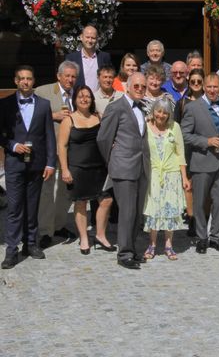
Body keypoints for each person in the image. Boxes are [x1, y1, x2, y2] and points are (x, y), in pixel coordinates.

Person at [0, 65, 55, 269]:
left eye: (29, 79)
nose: (25, 82)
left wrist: (51, 163)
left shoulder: (43, 105)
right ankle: (11, 250)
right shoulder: (5, 104)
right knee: (15, 209)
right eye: (21, 79)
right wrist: (12, 144)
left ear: (34, 81)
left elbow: (50, 135)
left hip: (37, 164)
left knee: (32, 207)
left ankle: (31, 244)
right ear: (15, 81)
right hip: (14, 164)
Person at [96, 72, 151, 270]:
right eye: (136, 86)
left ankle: (132, 248)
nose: (140, 89)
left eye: (143, 87)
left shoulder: (143, 107)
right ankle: (124, 253)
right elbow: (103, 139)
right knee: (127, 212)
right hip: (123, 167)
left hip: (141, 167)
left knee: (136, 213)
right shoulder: (116, 107)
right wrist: (112, 160)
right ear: (127, 86)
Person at [58, 85, 112, 255]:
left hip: (99, 168)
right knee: (81, 203)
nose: (84, 99)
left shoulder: (99, 117)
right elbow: (62, 146)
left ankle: (101, 235)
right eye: (80, 96)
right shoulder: (69, 120)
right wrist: (65, 170)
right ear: (75, 100)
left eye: (87, 96)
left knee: (106, 200)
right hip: (78, 169)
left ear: (92, 99)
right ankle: (84, 238)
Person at [181, 73, 219, 254]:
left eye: (215, 87)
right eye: (209, 87)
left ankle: (216, 237)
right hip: (201, 161)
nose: (212, 90)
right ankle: (202, 237)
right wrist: (206, 141)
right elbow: (184, 135)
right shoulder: (192, 107)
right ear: (203, 87)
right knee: (200, 202)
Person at [35, 60, 79, 247]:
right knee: (46, 190)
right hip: (48, 149)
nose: (70, 80)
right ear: (58, 76)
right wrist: (53, 115)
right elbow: (32, 114)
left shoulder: (78, 94)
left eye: (73, 76)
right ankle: (45, 231)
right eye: (66, 76)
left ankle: (59, 225)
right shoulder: (43, 92)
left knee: (65, 190)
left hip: (70, 150)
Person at [142, 98, 189, 261]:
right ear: (153, 111)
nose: (161, 115)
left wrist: (184, 177)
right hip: (154, 173)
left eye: (165, 112)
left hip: (172, 174)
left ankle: (169, 245)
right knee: (154, 209)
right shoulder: (146, 127)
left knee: (169, 210)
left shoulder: (174, 127)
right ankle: (152, 244)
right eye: (158, 111)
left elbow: (180, 153)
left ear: (169, 114)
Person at [173, 68, 205, 237]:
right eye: (192, 82)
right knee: (190, 185)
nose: (196, 85)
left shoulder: (209, 100)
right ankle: (192, 218)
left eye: (199, 81)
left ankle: (203, 217)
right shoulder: (182, 103)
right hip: (188, 148)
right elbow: (176, 127)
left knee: (205, 184)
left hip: (206, 147)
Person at [65, 25, 112, 91]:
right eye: (87, 37)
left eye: (93, 38)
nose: (90, 40)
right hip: (79, 99)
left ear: (97, 39)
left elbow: (110, 77)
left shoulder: (104, 57)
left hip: (100, 99)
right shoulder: (72, 58)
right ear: (81, 37)